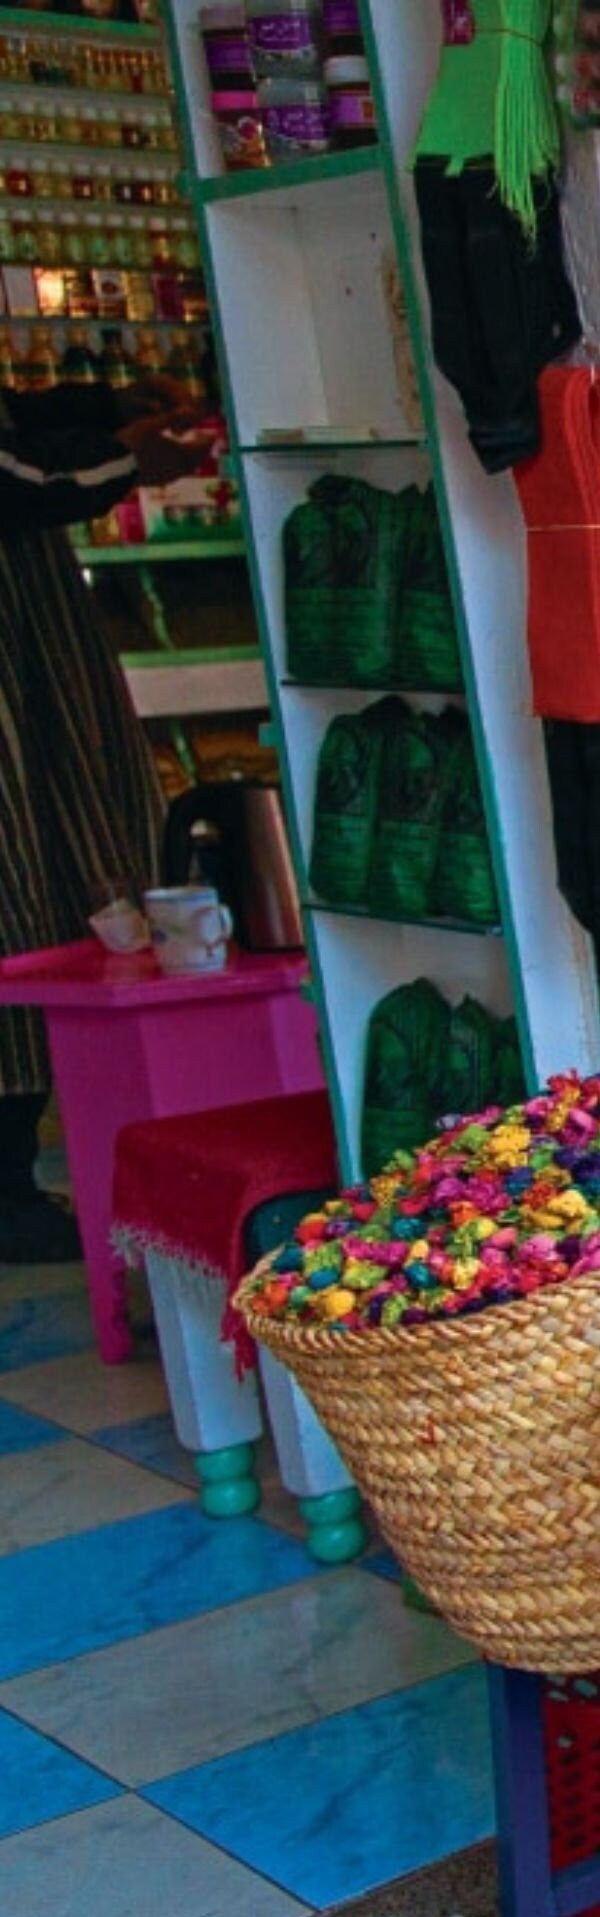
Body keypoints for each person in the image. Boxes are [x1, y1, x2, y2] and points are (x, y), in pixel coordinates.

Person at [0, 380, 214, 1262]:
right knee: (18, 889)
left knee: (65, 876)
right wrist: (129, 456)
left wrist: (101, 406)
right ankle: (11, 1191)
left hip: (32, 635)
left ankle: (89, 1162)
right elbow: (20, 476)